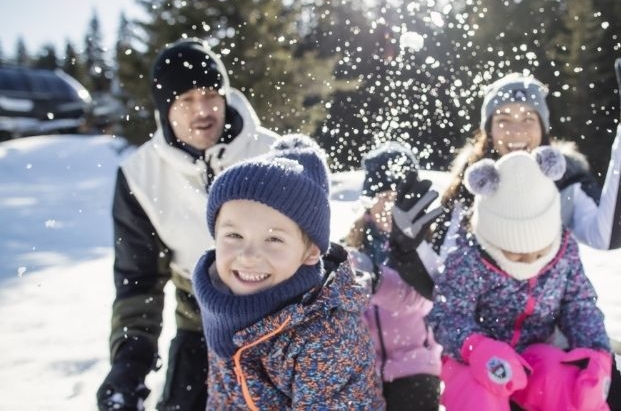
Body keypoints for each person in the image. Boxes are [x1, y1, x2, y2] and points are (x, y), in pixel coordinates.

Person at [427, 45, 621, 410]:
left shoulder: (565, 183)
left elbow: (611, 232)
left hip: (555, 356)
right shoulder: (466, 192)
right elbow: (440, 288)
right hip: (479, 363)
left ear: (544, 129)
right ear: (487, 129)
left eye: (528, 118)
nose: (516, 130)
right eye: (503, 119)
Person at [96, 38, 280, 410]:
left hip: (277, 324)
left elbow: (315, 252)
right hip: (200, 325)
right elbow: (138, 280)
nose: (203, 110)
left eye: (211, 94)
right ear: (166, 109)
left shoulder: (272, 155)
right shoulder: (140, 177)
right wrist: (129, 363)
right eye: (186, 99)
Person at [191, 134, 384, 409]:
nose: (248, 256)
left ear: (311, 251)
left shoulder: (326, 334)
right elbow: (223, 399)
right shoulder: (221, 303)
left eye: (274, 240)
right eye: (234, 235)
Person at [427, 147, 613, 411]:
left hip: (535, 353)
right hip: (475, 358)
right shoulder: (469, 257)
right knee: (479, 395)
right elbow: (448, 314)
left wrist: (597, 354)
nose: (530, 263)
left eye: (539, 253)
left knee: (567, 384)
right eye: (516, 255)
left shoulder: (564, 250)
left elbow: (578, 305)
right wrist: (476, 347)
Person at [343, 142, 444, 410]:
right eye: (382, 196)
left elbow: (427, 300)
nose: (389, 206)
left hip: (416, 366)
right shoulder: (352, 249)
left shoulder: (424, 248)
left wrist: (378, 282)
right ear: (368, 201)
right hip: (365, 370)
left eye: (397, 197)